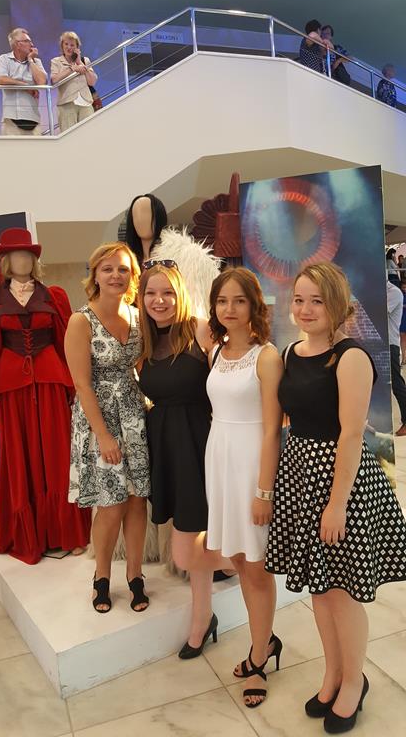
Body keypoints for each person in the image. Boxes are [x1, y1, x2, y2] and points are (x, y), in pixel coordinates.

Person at [265, 262, 406, 734]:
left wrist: (337, 504)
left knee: (343, 593)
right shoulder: (290, 352)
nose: (305, 309)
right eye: (299, 300)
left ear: (337, 305)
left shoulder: (351, 357)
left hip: (341, 483)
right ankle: (333, 674)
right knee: (320, 591)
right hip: (302, 477)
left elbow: (350, 435)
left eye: (317, 301)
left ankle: (354, 681)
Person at [0, 227, 91, 564]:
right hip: (12, 386)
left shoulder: (53, 296)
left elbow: (65, 342)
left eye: (28, 254)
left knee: (57, 454)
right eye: (16, 255)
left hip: (51, 382)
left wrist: (72, 384)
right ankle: (32, 535)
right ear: (5, 261)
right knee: (20, 455)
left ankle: (66, 532)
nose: (23, 260)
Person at [205, 267, 283, 708]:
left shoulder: (266, 357)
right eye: (222, 301)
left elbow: (272, 430)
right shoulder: (215, 350)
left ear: (254, 305)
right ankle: (264, 641)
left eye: (239, 300)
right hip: (220, 461)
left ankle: (259, 657)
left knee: (256, 565)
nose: (229, 309)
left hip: (252, 465)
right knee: (237, 558)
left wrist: (263, 491)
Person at [138, 261, 225, 656]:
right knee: (187, 540)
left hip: (201, 441)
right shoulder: (143, 341)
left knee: (191, 546)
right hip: (165, 445)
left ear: (181, 295)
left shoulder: (201, 329)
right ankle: (203, 618)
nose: (160, 300)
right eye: (151, 293)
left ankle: (247, 580)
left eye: (168, 292)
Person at [65, 242, 150, 613]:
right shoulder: (80, 321)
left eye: (123, 269)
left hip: (134, 415)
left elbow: (144, 367)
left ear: (132, 276)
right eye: (108, 268)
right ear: (95, 275)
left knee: (137, 499)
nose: (116, 275)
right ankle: (101, 577)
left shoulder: (138, 317)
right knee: (112, 504)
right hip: (98, 419)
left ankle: (135, 575)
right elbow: (81, 384)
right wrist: (103, 435)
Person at [124, 194, 220, 316]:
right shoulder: (126, 261)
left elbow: (196, 304)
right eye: (136, 215)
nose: (141, 220)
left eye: (146, 214)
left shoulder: (186, 257)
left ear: (158, 216)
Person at [0, 28, 47, 136]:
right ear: (18, 44)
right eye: (28, 41)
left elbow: (42, 82)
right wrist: (25, 86)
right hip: (11, 120)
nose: (32, 44)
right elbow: (1, 79)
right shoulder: (4, 59)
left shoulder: (36, 61)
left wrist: (30, 60)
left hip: (34, 119)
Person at [50, 31, 98, 132]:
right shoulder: (56, 61)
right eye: (66, 44)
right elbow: (54, 80)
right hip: (66, 104)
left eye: (72, 45)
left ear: (77, 47)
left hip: (86, 103)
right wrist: (72, 68)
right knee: (69, 136)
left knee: (88, 134)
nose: (69, 47)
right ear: (62, 46)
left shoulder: (85, 60)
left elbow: (92, 82)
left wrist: (79, 62)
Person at [386, 279, 406, 436]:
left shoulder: (393, 292)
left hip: (390, 344)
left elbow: (378, 313)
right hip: (379, 343)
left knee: (397, 383)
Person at [400, 279, 406, 366]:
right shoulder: (400, 295)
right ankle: (404, 358)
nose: (404, 289)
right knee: (402, 338)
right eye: (403, 287)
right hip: (402, 318)